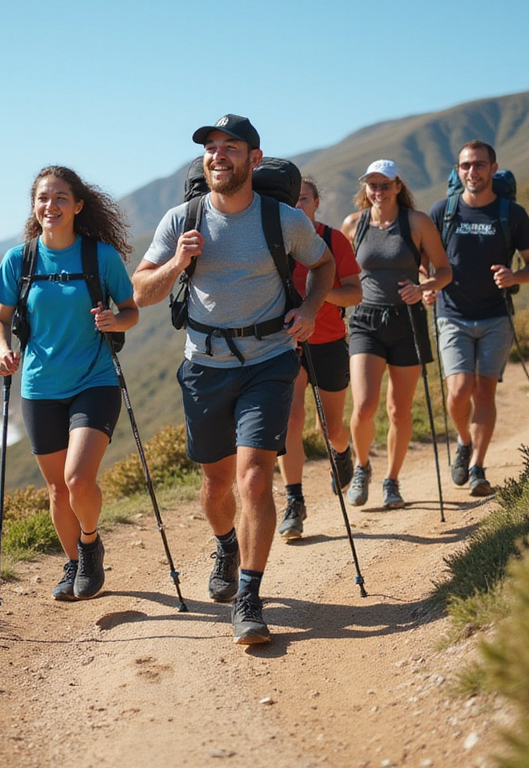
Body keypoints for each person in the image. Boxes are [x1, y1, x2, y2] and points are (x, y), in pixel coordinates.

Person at [132, 114, 335, 645]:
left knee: (252, 479)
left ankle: (249, 594)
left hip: (269, 361)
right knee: (216, 484)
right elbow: (141, 293)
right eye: (211, 148)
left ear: (254, 159)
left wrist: (311, 309)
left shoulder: (284, 220)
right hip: (204, 365)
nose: (218, 156)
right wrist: (178, 261)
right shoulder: (182, 219)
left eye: (231, 147)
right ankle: (225, 542)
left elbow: (324, 264)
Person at [0, 166, 139, 601]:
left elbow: (130, 310)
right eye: (42, 199)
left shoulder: (100, 257)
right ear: (34, 207)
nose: (49, 206)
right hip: (38, 387)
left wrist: (115, 319)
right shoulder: (20, 260)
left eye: (59, 198)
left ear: (77, 206)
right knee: (56, 489)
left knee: (76, 479)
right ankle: (74, 563)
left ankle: (90, 544)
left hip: (95, 381)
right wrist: (2, 351)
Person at [426, 141, 529, 496]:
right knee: (459, 390)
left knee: (484, 391)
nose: (472, 172)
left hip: (495, 316)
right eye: (465, 166)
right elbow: (422, 259)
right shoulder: (442, 211)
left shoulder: (511, 214)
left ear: (494, 168)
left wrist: (515, 277)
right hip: (452, 313)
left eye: (479, 165)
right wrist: (425, 283)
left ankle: (477, 466)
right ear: (457, 170)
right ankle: (464, 442)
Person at [341, 160, 453, 509]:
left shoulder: (417, 222)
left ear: (398, 186)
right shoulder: (353, 224)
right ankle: (362, 468)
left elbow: (445, 270)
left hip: (408, 322)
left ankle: (392, 480)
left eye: (385, 185)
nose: (378, 191)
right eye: (372, 185)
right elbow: (340, 270)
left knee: (399, 411)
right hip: (365, 321)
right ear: (366, 188)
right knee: (363, 405)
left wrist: (424, 288)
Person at [277, 176, 362, 540]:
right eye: (291, 201)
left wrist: (318, 297)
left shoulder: (332, 240)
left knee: (331, 428)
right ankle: (294, 502)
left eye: (304, 199)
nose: (297, 207)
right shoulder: (276, 243)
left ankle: (344, 453)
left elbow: (355, 293)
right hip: (288, 343)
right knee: (290, 421)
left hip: (328, 341)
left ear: (316, 203)